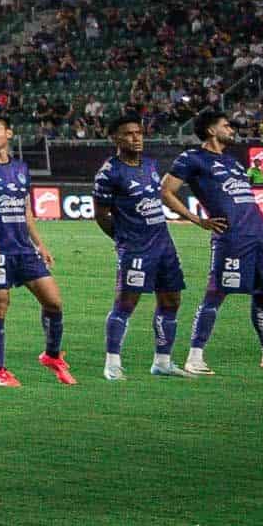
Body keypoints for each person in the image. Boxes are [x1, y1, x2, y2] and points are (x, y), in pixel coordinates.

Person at [174, 110, 263, 374]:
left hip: (258, 233)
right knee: (217, 293)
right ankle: (194, 357)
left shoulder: (232, 161)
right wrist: (197, 219)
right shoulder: (192, 158)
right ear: (211, 131)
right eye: (226, 126)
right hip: (231, 237)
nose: (232, 129)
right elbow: (166, 191)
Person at [90, 115, 192, 377]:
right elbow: (101, 215)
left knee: (171, 300)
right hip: (135, 249)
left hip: (164, 245)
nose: (136, 138)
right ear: (115, 138)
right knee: (126, 304)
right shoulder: (109, 173)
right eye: (128, 134)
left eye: (138, 133)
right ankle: (112, 364)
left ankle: (162, 362)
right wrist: (124, 240)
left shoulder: (149, 164)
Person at [0, 113, 71, 382]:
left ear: (9, 133)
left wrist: (40, 244)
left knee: (53, 302)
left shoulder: (21, 169)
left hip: (24, 249)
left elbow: (25, 209)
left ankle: (52, 355)